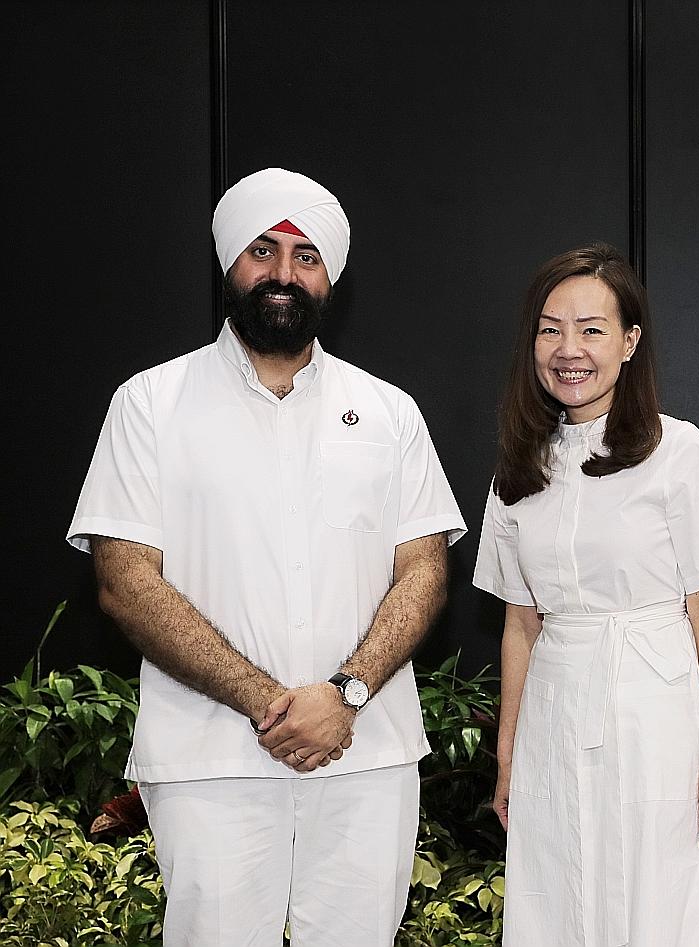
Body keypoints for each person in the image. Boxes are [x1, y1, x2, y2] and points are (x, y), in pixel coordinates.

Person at [66, 167, 466, 946]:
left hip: (367, 755)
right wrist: (267, 701)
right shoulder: (149, 404)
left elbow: (423, 570)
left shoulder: (390, 412)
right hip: (208, 761)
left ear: (330, 277)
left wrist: (343, 695)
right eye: (263, 249)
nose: (283, 273)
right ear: (229, 263)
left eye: (306, 255)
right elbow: (123, 580)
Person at [473, 242, 699, 947]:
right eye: (551, 329)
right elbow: (520, 623)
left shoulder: (677, 449)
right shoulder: (520, 462)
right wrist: (509, 755)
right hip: (553, 707)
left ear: (630, 342)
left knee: (659, 893)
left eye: (592, 329)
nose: (569, 349)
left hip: (655, 707)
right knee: (557, 887)